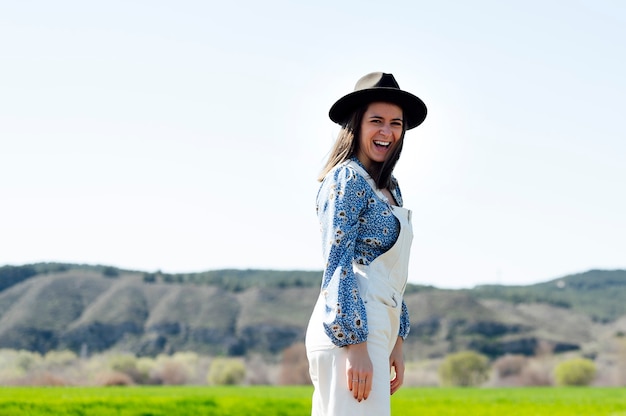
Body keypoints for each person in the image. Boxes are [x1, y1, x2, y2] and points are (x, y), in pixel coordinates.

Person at [305, 72, 427, 416]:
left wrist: (397, 341)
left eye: (395, 123)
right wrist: (355, 343)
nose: (387, 132)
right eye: (377, 121)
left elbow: (393, 272)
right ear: (356, 125)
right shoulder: (347, 178)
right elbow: (339, 261)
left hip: (378, 325)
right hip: (352, 327)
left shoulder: (391, 188)